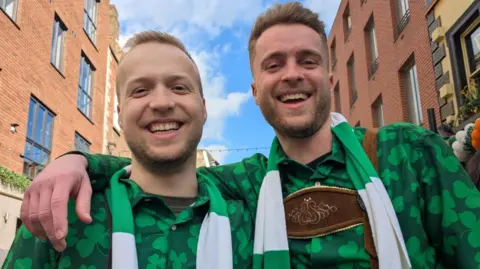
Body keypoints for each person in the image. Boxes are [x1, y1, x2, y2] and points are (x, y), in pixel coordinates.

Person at [14, 2, 480, 269]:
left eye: (308, 61)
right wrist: (75, 160)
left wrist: (75, 160)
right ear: (255, 91)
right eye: (274, 65)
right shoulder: (246, 186)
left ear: (330, 79)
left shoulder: (409, 152)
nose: (292, 75)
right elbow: (155, 170)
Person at [2, 31, 254, 269]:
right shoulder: (62, 213)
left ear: (203, 108)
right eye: (140, 90)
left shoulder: (251, 216)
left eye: (179, 87)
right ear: (120, 117)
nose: (161, 103)